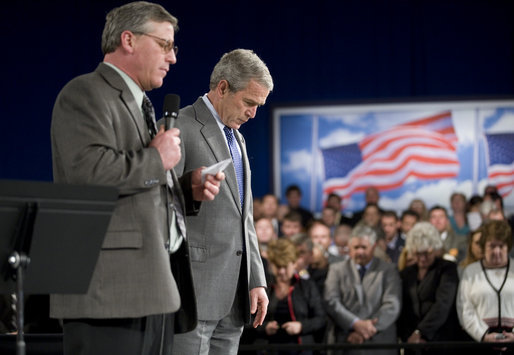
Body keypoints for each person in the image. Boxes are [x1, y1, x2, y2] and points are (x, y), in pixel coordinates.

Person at [49, 2, 224, 354]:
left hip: (153, 287)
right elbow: (86, 174)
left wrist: (184, 187)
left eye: (173, 47)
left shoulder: (139, 102)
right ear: (128, 39)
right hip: (109, 293)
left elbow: (137, 184)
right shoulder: (85, 93)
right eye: (164, 45)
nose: (172, 58)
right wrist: (157, 159)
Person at [172, 49, 272, 355]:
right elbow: (161, 204)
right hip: (195, 291)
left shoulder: (236, 137)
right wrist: (189, 188)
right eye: (249, 103)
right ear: (223, 87)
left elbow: (246, 217)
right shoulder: (181, 126)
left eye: (259, 105)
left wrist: (256, 279)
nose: (254, 113)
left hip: (236, 295)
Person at [324, 225, 401, 355]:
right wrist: (355, 323)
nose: (360, 252)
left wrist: (367, 329)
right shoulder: (336, 269)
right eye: (356, 247)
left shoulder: (388, 270)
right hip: (345, 342)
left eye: (364, 247)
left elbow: (392, 305)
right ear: (349, 247)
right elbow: (331, 301)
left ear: (373, 246)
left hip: (379, 344)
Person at [398, 222, 463, 355]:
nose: (422, 258)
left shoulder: (447, 269)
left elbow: (443, 304)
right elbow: (404, 308)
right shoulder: (406, 273)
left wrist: (420, 333)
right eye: (418, 253)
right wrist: (409, 336)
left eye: (427, 252)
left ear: (435, 248)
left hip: (441, 340)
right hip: (413, 344)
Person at [258, 238, 326, 354]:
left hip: (300, 349)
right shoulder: (263, 288)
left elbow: (321, 319)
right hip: (268, 349)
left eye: (285, 266)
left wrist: (301, 326)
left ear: (294, 263)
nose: (282, 272)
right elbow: (247, 321)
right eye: (278, 266)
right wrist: (264, 327)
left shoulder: (307, 286)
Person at [457, 220, 514, 354]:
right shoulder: (471, 271)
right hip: (480, 345)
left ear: (508, 247)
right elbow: (464, 309)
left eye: (502, 246)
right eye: (492, 246)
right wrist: (483, 335)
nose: (497, 251)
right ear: (483, 246)